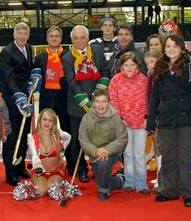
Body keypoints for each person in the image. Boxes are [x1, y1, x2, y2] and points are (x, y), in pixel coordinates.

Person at [146, 35, 191, 207]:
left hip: (186, 120)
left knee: (186, 157)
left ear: (181, 47)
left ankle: (190, 194)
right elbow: (155, 98)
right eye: (168, 46)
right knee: (169, 157)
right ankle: (170, 190)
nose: (171, 49)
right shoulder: (161, 68)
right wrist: (151, 122)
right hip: (166, 121)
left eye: (174, 46)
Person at [62, 25, 108, 182]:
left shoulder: (97, 51)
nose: (79, 40)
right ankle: (80, 169)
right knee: (77, 140)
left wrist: (96, 96)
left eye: (82, 37)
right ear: (72, 39)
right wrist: (85, 101)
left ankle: (98, 168)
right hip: (77, 105)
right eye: (76, 38)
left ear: (87, 38)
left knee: (97, 139)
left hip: (98, 104)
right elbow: (71, 81)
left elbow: (105, 72)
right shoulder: (67, 57)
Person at [0, 22, 34, 186]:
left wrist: (34, 79)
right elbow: (8, 77)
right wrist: (17, 94)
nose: (22, 36)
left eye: (25, 33)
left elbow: (28, 71)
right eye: (19, 33)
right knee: (12, 136)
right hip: (12, 100)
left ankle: (20, 166)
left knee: (25, 133)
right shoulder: (6, 52)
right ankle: (10, 171)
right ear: (14, 35)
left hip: (26, 98)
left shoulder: (28, 48)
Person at [109, 51, 150, 194]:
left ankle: (141, 183)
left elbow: (148, 100)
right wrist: (120, 119)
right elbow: (113, 101)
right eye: (126, 65)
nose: (129, 68)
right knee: (127, 154)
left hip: (141, 123)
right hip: (123, 123)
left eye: (132, 65)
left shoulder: (143, 80)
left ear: (137, 65)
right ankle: (129, 182)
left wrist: (146, 118)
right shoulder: (116, 80)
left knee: (139, 154)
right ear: (121, 66)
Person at [33, 26, 73, 173]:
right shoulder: (40, 58)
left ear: (61, 39)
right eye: (52, 36)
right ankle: (44, 164)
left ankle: (73, 165)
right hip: (47, 100)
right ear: (47, 38)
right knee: (45, 133)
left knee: (68, 132)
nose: (54, 38)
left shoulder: (68, 56)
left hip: (65, 99)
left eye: (57, 36)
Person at [79, 88, 127, 201]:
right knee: (100, 178)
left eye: (104, 101)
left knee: (103, 163)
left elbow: (122, 138)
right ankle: (119, 180)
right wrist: (96, 151)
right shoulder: (86, 119)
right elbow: (83, 139)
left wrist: (106, 150)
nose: (101, 105)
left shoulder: (115, 118)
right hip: (94, 153)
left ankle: (104, 192)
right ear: (93, 103)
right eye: (97, 101)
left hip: (111, 152)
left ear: (108, 103)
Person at [27, 108, 71, 197]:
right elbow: (34, 157)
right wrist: (38, 165)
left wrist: (61, 152)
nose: (47, 123)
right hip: (41, 172)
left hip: (57, 171)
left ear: (54, 123)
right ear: (39, 120)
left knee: (53, 190)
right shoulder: (32, 137)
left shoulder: (59, 134)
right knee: (40, 192)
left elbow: (69, 137)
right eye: (44, 119)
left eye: (50, 120)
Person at [144, 49, 163, 194]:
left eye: (152, 62)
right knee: (157, 148)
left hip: (164, 118)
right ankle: (160, 176)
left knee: (163, 149)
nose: (150, 65)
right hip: (154, 117)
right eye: (147, 63)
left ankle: (163, 178)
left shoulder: (163, 76)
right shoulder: (150, 76)